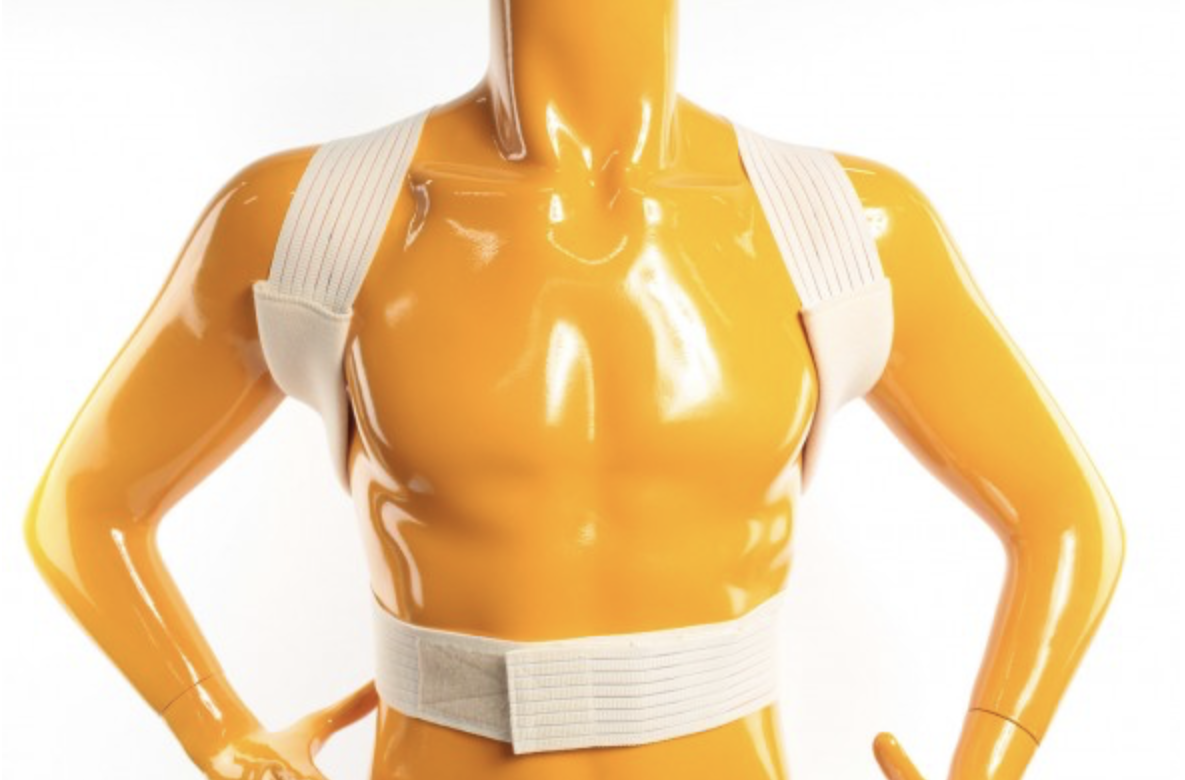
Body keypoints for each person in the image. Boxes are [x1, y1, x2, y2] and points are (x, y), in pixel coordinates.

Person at [22, 1, 1126, 778]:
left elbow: (1064, 517)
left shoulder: (848, 230)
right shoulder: (308, 221)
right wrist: (214, 730)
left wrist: (988, 764)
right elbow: (86, 506)